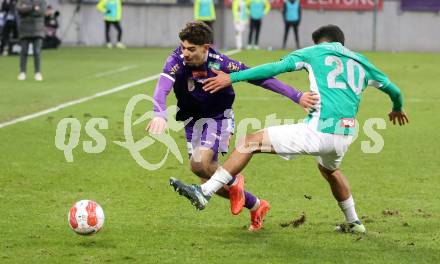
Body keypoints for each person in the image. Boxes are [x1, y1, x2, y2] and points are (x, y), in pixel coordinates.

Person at [170, 24, 409, 234]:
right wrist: (397, 108)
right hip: (346, 135)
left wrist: (233, 78)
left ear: (319, 42)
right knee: (330, 170)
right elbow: (395, 91)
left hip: (319, 130)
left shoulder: (314, 52)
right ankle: (354, 221)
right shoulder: (361, 61)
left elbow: (274, 68)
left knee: (249, 142)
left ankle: (206, 191)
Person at [147, 21, 318, 231]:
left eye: (191, 49)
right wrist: (159, 114)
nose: (185, 53)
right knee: (204, 175)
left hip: (219, 117)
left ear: (206, 48)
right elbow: (161, 88)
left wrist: (297, 95)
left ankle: (235, 180)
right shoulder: (176, 60)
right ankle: (256, 204)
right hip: (192, 121)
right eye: (183, 47)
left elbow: (260, 78)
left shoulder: (220, 62)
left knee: (199, 163)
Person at [17, 0, 46, 81]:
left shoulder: (42, 1)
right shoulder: (22, 1)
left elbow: (41, 12)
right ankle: (22, 72)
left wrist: (26, 10)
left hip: (38, 29)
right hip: (24, 29)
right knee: (24, 51)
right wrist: (33, 8)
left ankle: (38, 72)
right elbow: (19, 10)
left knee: (37, 52)